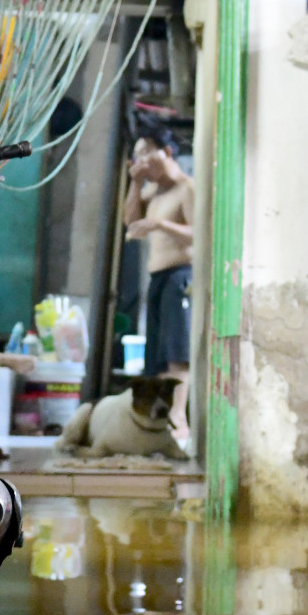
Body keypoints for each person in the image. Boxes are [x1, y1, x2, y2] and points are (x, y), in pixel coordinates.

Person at [123, 130, 195, 438]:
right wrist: (135, 183)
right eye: (138, 156)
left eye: (148, 153)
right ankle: (157, 419)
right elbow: (130, 221)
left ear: (167, 151)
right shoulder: (153, 192)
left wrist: (160, 224)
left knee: (176, 351)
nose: (143, 162)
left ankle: (178, 416)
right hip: (157, 277)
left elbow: (197, 233)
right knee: (156, 353)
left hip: (181, 273)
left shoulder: (186, 188)